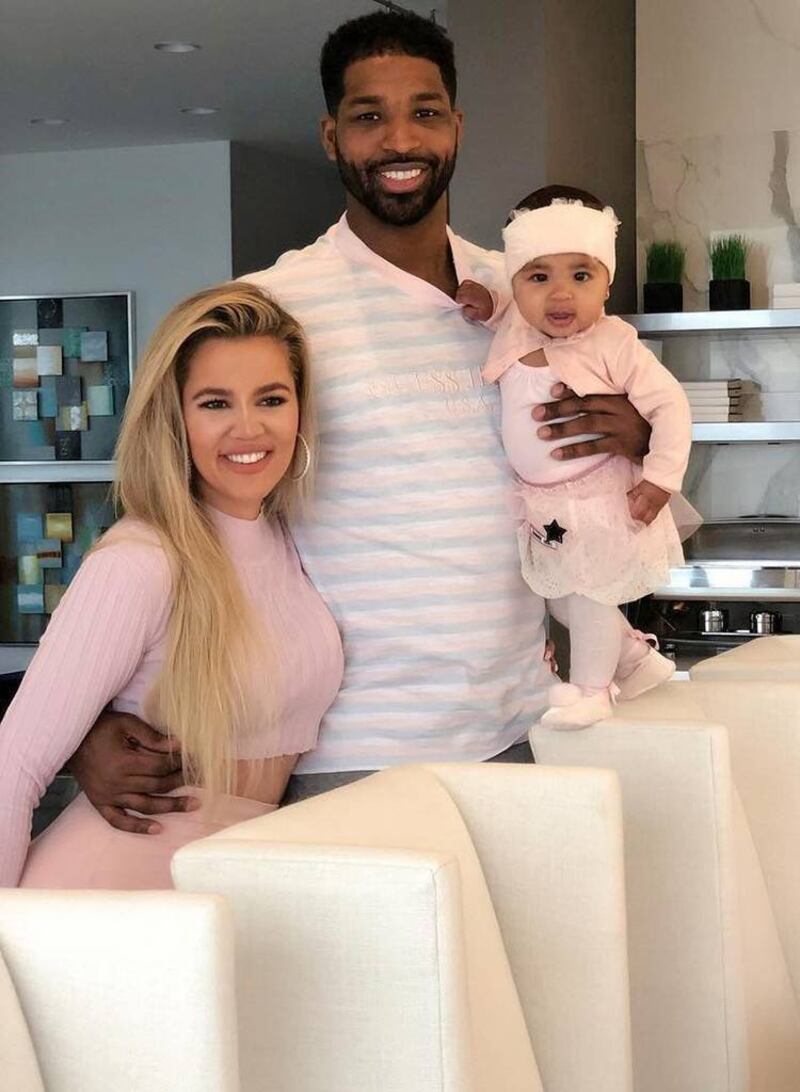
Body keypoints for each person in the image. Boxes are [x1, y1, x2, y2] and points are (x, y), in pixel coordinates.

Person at [62, 10, 652, 822]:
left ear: (457, 127)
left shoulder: (527, 294)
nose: (400, 139)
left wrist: (638, 435)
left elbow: (602, 464)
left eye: (425, 112)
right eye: (369, 116)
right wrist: (85, 715)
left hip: (528, 726)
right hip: (353, 751)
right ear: (332, 136)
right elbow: (172, 510)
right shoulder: (277, 306)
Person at [0, 283, 344, 887]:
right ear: (175, 418)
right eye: (215, 403)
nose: (248, 428)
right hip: (107, 898)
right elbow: (14, 765)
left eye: (271, 399)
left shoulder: (291, 545)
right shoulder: (140, 561)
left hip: (229, 888)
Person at [456, 185, 691, 727]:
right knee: (558, 596)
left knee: (586, 596)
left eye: (581, 276)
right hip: (544, 504)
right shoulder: (517, 322)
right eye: (538, 277)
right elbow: (501, 304)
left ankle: (592, 691)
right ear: (517, 282)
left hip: (598, 500)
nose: (560, 294)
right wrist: (486, 302)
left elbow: (670, 405)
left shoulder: (614, 343)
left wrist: (661, 478)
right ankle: (635, 659)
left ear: (607, 282)